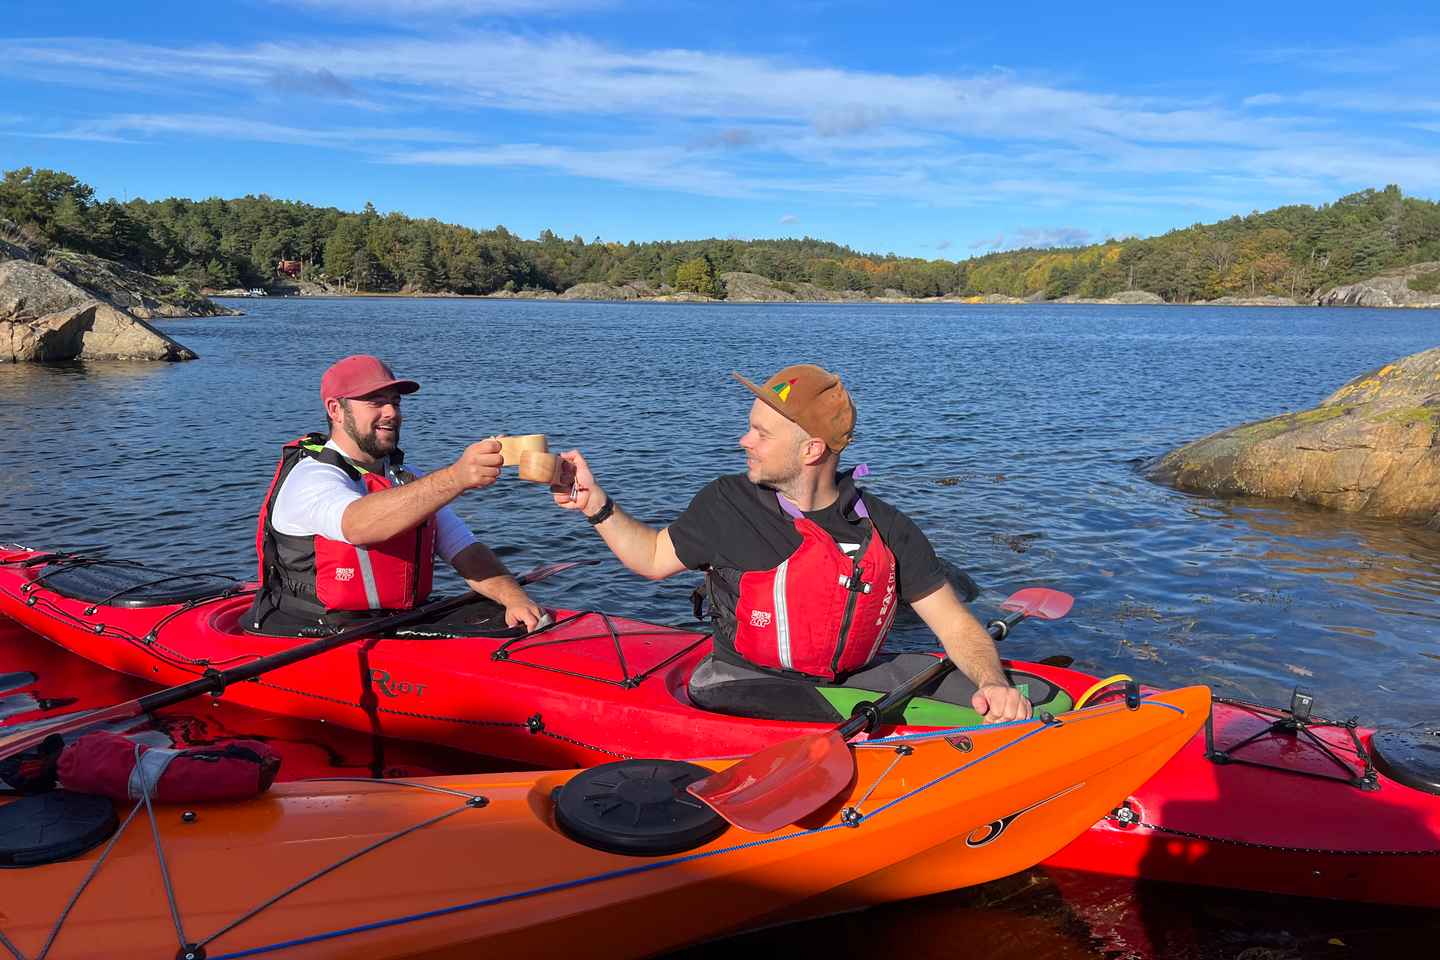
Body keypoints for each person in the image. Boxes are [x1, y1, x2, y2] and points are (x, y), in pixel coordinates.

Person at [551, 363, 1033, 724]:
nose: (744, 441)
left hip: (846, 686)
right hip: (740, 683)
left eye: (760, 433)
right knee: (823, 709)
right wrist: (596, 504)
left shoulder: (889, 529)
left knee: (1034, 691)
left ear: (811, 450)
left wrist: (993, 684)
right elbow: (653, 557)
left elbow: (956, 626)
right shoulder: (727, 503)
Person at [246, 354, 543, 637]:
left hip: (391, 623)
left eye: (395, 402)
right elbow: (357, 525)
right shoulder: (311, 477)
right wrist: (457, 477)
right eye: (376, 402)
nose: (391, 413)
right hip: (310, 630)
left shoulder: (403, 476)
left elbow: (463, 548)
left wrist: (515, 598)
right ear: (335, 410)